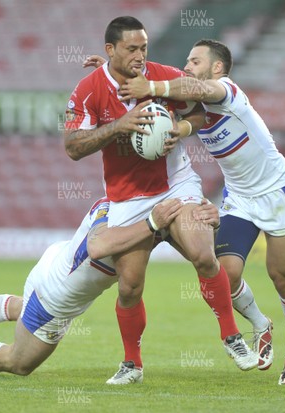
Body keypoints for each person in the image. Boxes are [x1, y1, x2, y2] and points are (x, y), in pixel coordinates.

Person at [90, 38, 285, 385]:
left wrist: (154, 83)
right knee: (228, 271)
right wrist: (114, 67)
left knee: (281, 277)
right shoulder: (186, 100)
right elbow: (168, 86)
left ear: (216, 68)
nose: (187, 66)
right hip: (238, 196)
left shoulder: (227, 91)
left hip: (275, 191)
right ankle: (260, 324)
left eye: (195, 61)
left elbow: (184, 84)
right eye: (187, 61)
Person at [63, 17, 257, 384]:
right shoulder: (89, 90)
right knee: (129, 286)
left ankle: (232, 336)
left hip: (176, 184)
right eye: (131, 49)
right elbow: (73, 147)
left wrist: (180, 128)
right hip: (128, 199)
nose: (140, 56)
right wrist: (119, 127)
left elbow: (199, 111)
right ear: (111, 50)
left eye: (144, 48)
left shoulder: (161, 77)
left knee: (203, 254)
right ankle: (132, 364)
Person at [0, 197, 219, 379]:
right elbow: (100, 246)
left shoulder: (113, 201)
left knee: (24, 307)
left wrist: (209, 222)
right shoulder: (140, 221)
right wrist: (154, 223)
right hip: (55, 300)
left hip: (53, 261)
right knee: (19, 362)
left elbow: (194, 251)